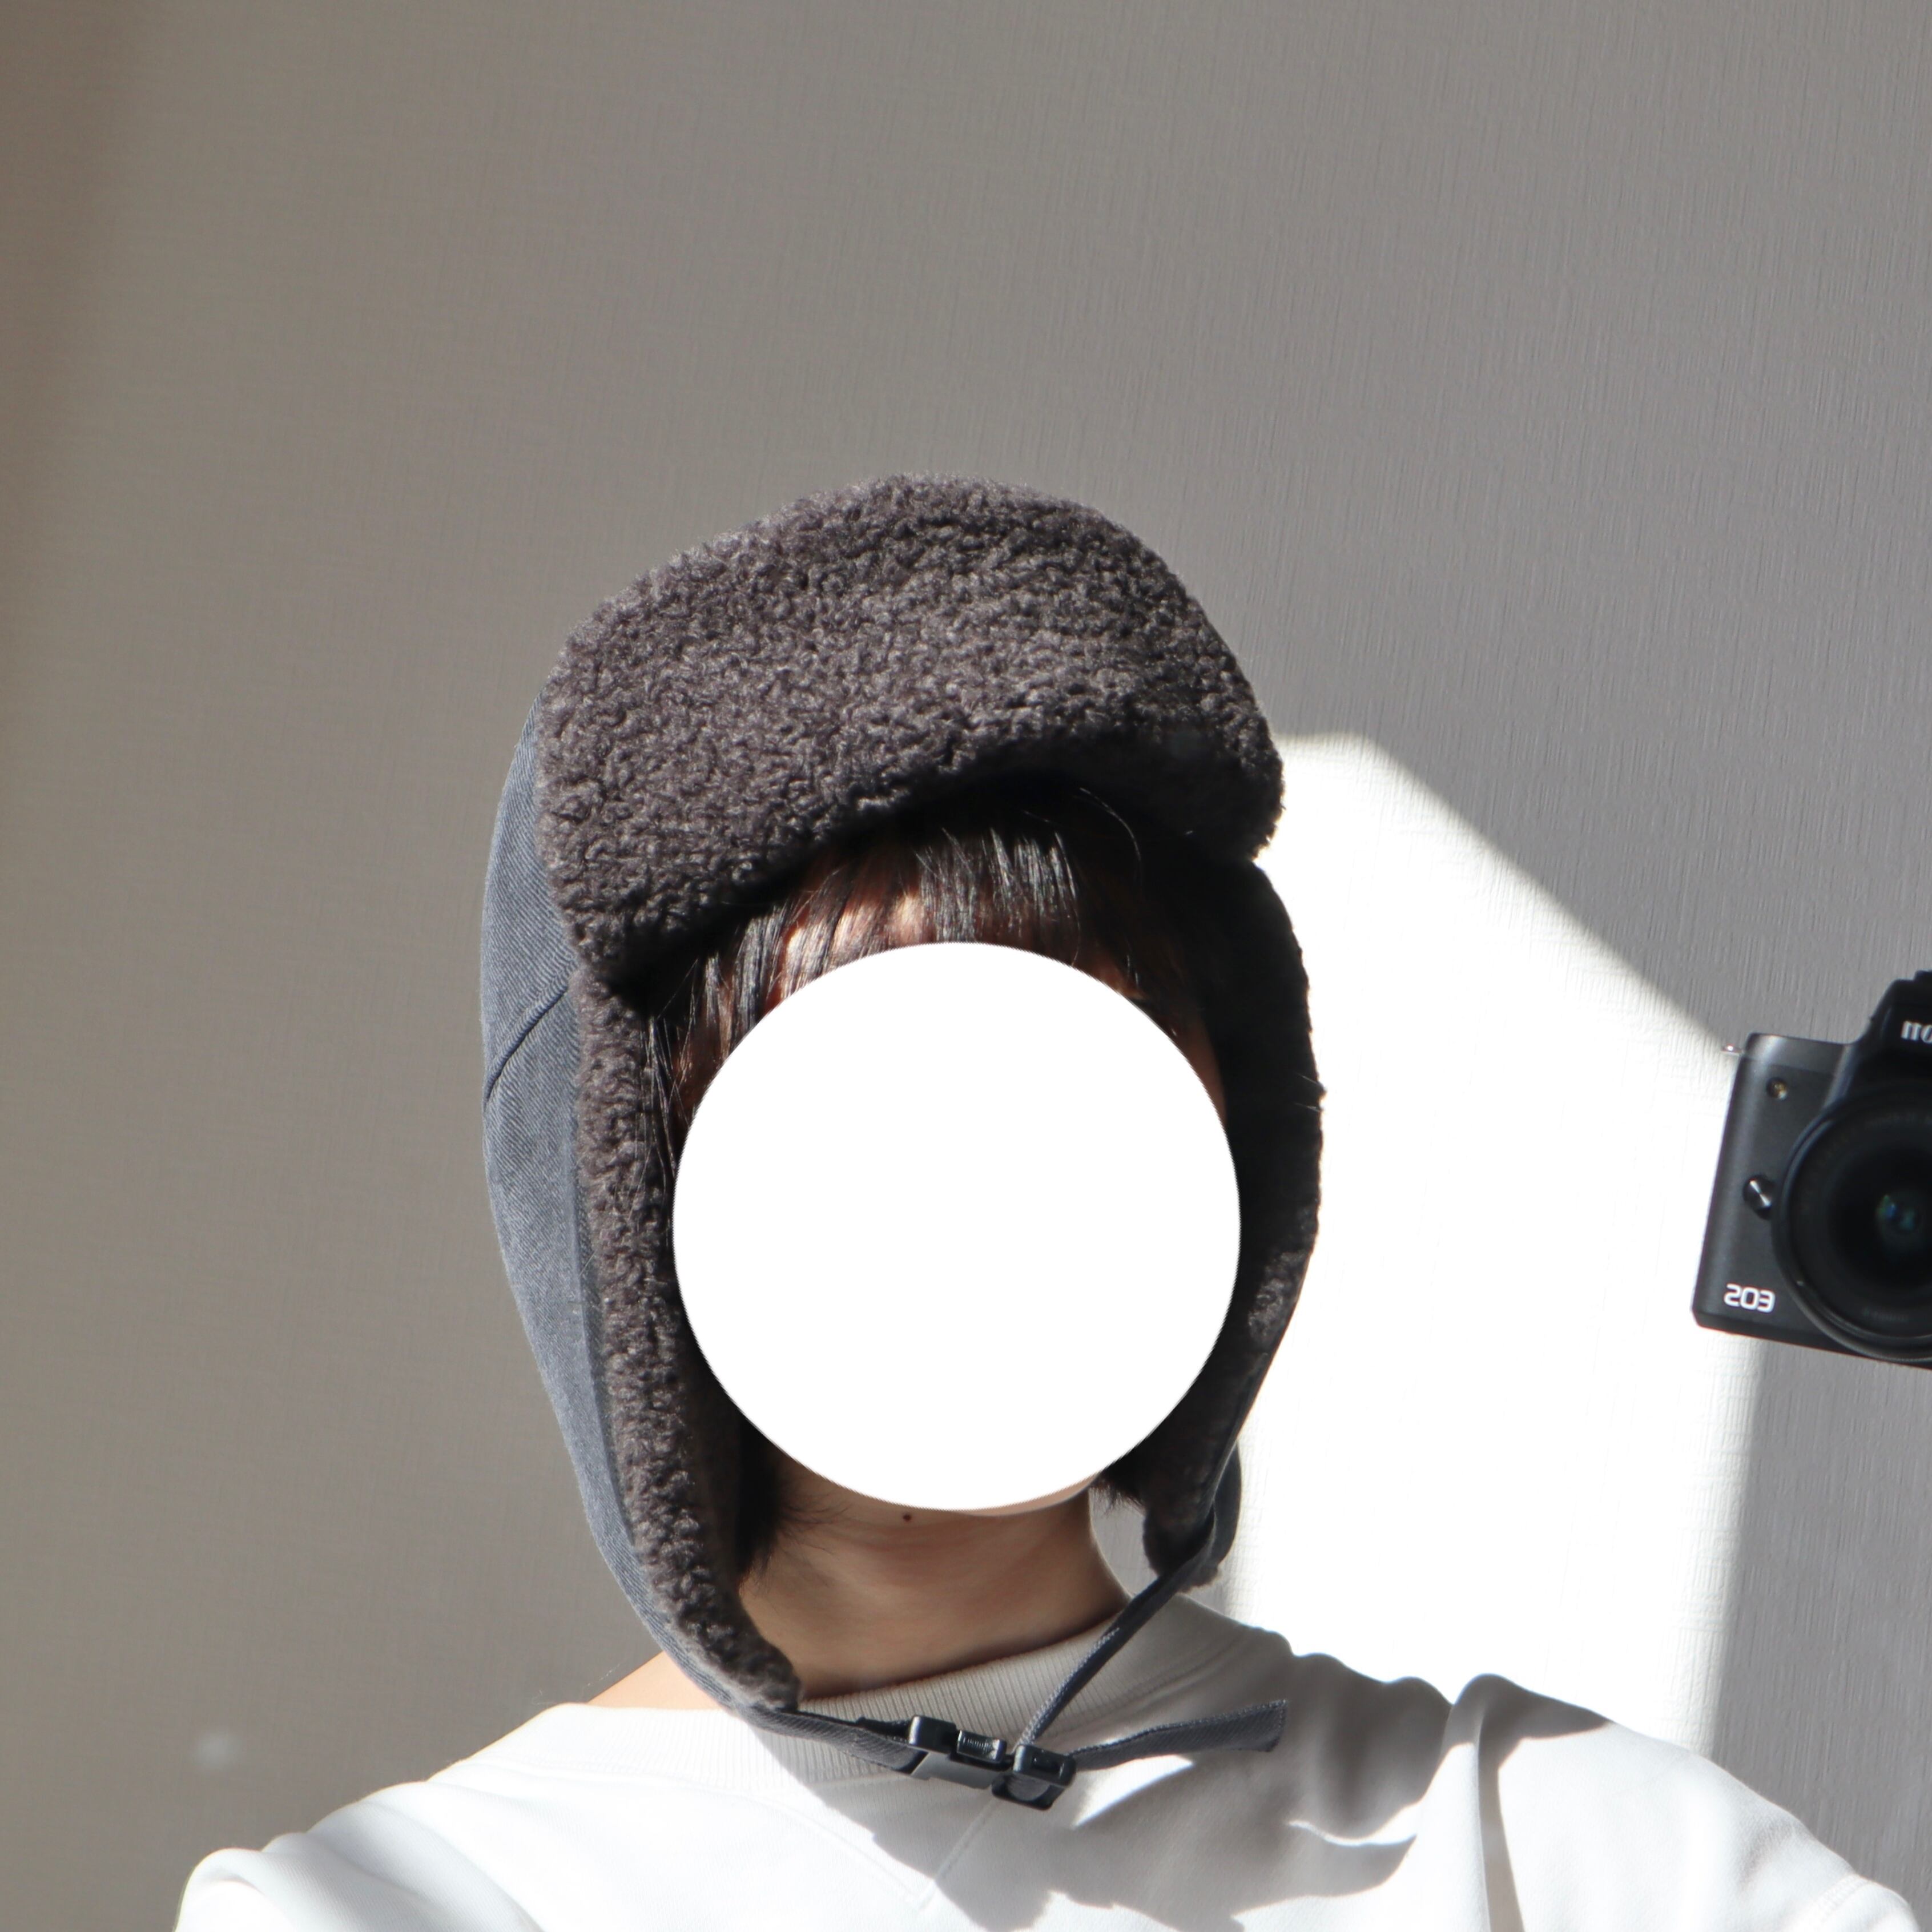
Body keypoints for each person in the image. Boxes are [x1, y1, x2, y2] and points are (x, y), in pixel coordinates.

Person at [178, 476, 1914, 1930]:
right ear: (631, 1188)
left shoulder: (1558, 1852)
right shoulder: (400, 1906)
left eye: (1097, 1047)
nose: (993, 1172)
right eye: (870, 1062)